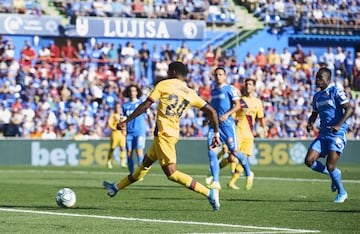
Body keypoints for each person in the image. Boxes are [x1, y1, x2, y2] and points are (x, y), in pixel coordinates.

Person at [103, 61, 221, 211]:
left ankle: (209, 193)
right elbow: (213, 112)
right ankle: (116, 187)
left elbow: (146, 104)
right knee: (143, 166)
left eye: (167, 71)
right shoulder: (191, 93)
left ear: (172, 72)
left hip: (164, 135)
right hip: (170, 134)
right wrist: (216, 134)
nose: (165, 74)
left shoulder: (164, 84)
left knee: (172, 173)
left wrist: (126, 121)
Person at [304, 67, 353, 203]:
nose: (318, 80)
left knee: (330, 165)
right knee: (309, 161)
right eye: (317, 77)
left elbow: (349, 109)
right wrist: (310, 123)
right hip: (323, 133)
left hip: (337, 133)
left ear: (328, 79)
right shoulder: (317, 96)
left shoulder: (336, 91)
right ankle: (333, 174)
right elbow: (314, 114)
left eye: (321, 77)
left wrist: (338, 125)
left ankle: (342, 193)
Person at [209, 78, 267, 190]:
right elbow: (232, 113)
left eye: (250, 84)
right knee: (232, 157)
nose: (248, 86)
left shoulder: (258, 102)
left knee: (243, 158)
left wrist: (264, 128)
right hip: (237, 132)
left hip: (249, 134)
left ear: (254, 87)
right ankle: (212, 173)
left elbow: (260, 117)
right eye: (246, 84)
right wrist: (234, 120)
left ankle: (231, 182)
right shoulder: (239, 100)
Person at [205, 67, 254, 190]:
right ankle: (216, 181)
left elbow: (237, 105)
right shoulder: (213, 91)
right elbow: (212, 108)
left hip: (227, 125)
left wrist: (227, 115)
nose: (218, 77)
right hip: (214, 125)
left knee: (234, 152)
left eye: (221, 74)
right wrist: (209, 118)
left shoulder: (230, 89)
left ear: (225, 76)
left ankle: (248, 172)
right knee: (211, 150)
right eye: (216, 74)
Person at [122, 84, 154, 174]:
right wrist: (122, 129)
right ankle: (131, 174)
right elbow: (123, 119)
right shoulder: (125, 106)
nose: (132, 93)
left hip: (139, 132)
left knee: (139, 151)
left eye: (134, 91)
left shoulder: (141, 104)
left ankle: (140, 174)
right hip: (129, 132)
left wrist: (152, 126)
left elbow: (149, 115)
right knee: (129, 152)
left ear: (137, 92)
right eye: (130, 91)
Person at [106, 102, 127, 169]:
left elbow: (125, 124)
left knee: (122, 148)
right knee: (112, 148)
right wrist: (114, 128)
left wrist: (125, 131)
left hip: (121, 134)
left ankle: (123, 162)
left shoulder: (122, 115)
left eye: (118, 107)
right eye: (116, 107)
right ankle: (108, 161)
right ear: (114, 107)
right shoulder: (113, 115)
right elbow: (109, 124)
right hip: (115, 133)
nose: (117, 108)